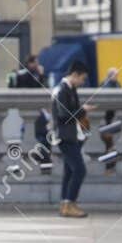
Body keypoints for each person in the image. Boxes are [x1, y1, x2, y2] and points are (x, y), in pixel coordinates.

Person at [49, 61, 96, 218]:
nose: (82, 82)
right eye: (82, 78)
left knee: (69, 172)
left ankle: (65, 204)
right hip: (65, 136)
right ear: (74, 75)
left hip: (68, 135)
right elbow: (64, 116)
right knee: (79, 170)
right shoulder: (62, 90)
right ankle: (70, 203)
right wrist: (83, 110)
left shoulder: (69, 89)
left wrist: (81, 110)